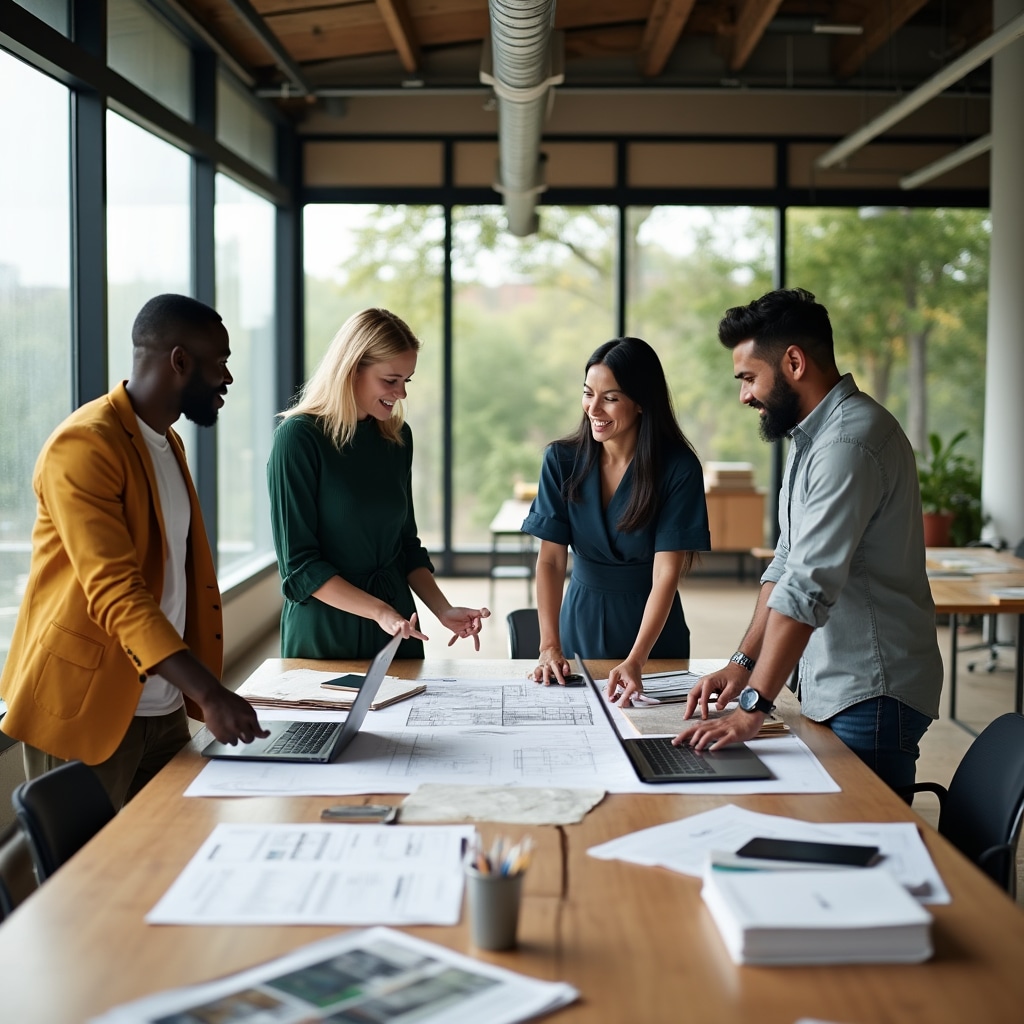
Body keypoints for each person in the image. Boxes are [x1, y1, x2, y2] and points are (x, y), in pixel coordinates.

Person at [0, 294, 267, 809]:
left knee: (167, 859)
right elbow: (115, 591)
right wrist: (210, 693)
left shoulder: (166, 441)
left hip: (160, 707)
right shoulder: (84, 444)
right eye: (222, 363)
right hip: (85, 706)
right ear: (180, 361)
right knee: (82, 882)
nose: (228, 378)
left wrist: (195, 691)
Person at [676, 288, 943, 792]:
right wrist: (741, 665)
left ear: (794, 362)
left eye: (749, 378)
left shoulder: (848, 443)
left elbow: (807, 587)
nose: (745, 396)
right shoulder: (813, 438)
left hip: (871, 692)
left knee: (863, 839)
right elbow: (785, 564)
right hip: (840, 686)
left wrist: (753, 705)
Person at [267, 307, 489, 659]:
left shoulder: (397, 437)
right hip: (326, 631)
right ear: (352, 369)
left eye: (407, 380)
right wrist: (380, 611)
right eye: (391, 380)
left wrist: (442, 610)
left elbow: (406, 546)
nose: (401, 393)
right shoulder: (298, 439)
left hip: (397, 626)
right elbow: (300, 566)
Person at [522, 337, 710, 699]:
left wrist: (637, 659)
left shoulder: (678, 468)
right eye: (588, 393)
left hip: (653, 632)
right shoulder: (561, 460)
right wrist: (549, 646)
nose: (594, 408)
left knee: (656, 741)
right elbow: (550, 560)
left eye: (610, 398)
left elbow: (666, 571)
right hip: (580, 621)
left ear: (641, 403)